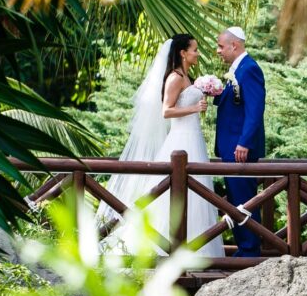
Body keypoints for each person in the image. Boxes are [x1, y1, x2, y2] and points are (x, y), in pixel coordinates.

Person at [99, 34, 225, 257]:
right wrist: (195, 109)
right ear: (182, 53)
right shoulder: (175, 77)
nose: (198, 53)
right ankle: (163, 249)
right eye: (194, 50)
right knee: (172, 193)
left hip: (193, 138)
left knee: (196, 192)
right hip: (180, 140)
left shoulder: (187, 76)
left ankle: (197, 249)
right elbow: (166, 111)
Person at [213, 27, 266, 257]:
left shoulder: (250, 69)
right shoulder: (238, 70)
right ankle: (245, 248)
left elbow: (255, 110)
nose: (218, 51)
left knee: (244, 201)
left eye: (221, 46)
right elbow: (234, 104)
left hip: (239, 149)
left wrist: (244, 142)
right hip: (231, 147)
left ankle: (250, 251)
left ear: (234, 45)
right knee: (236, 200)